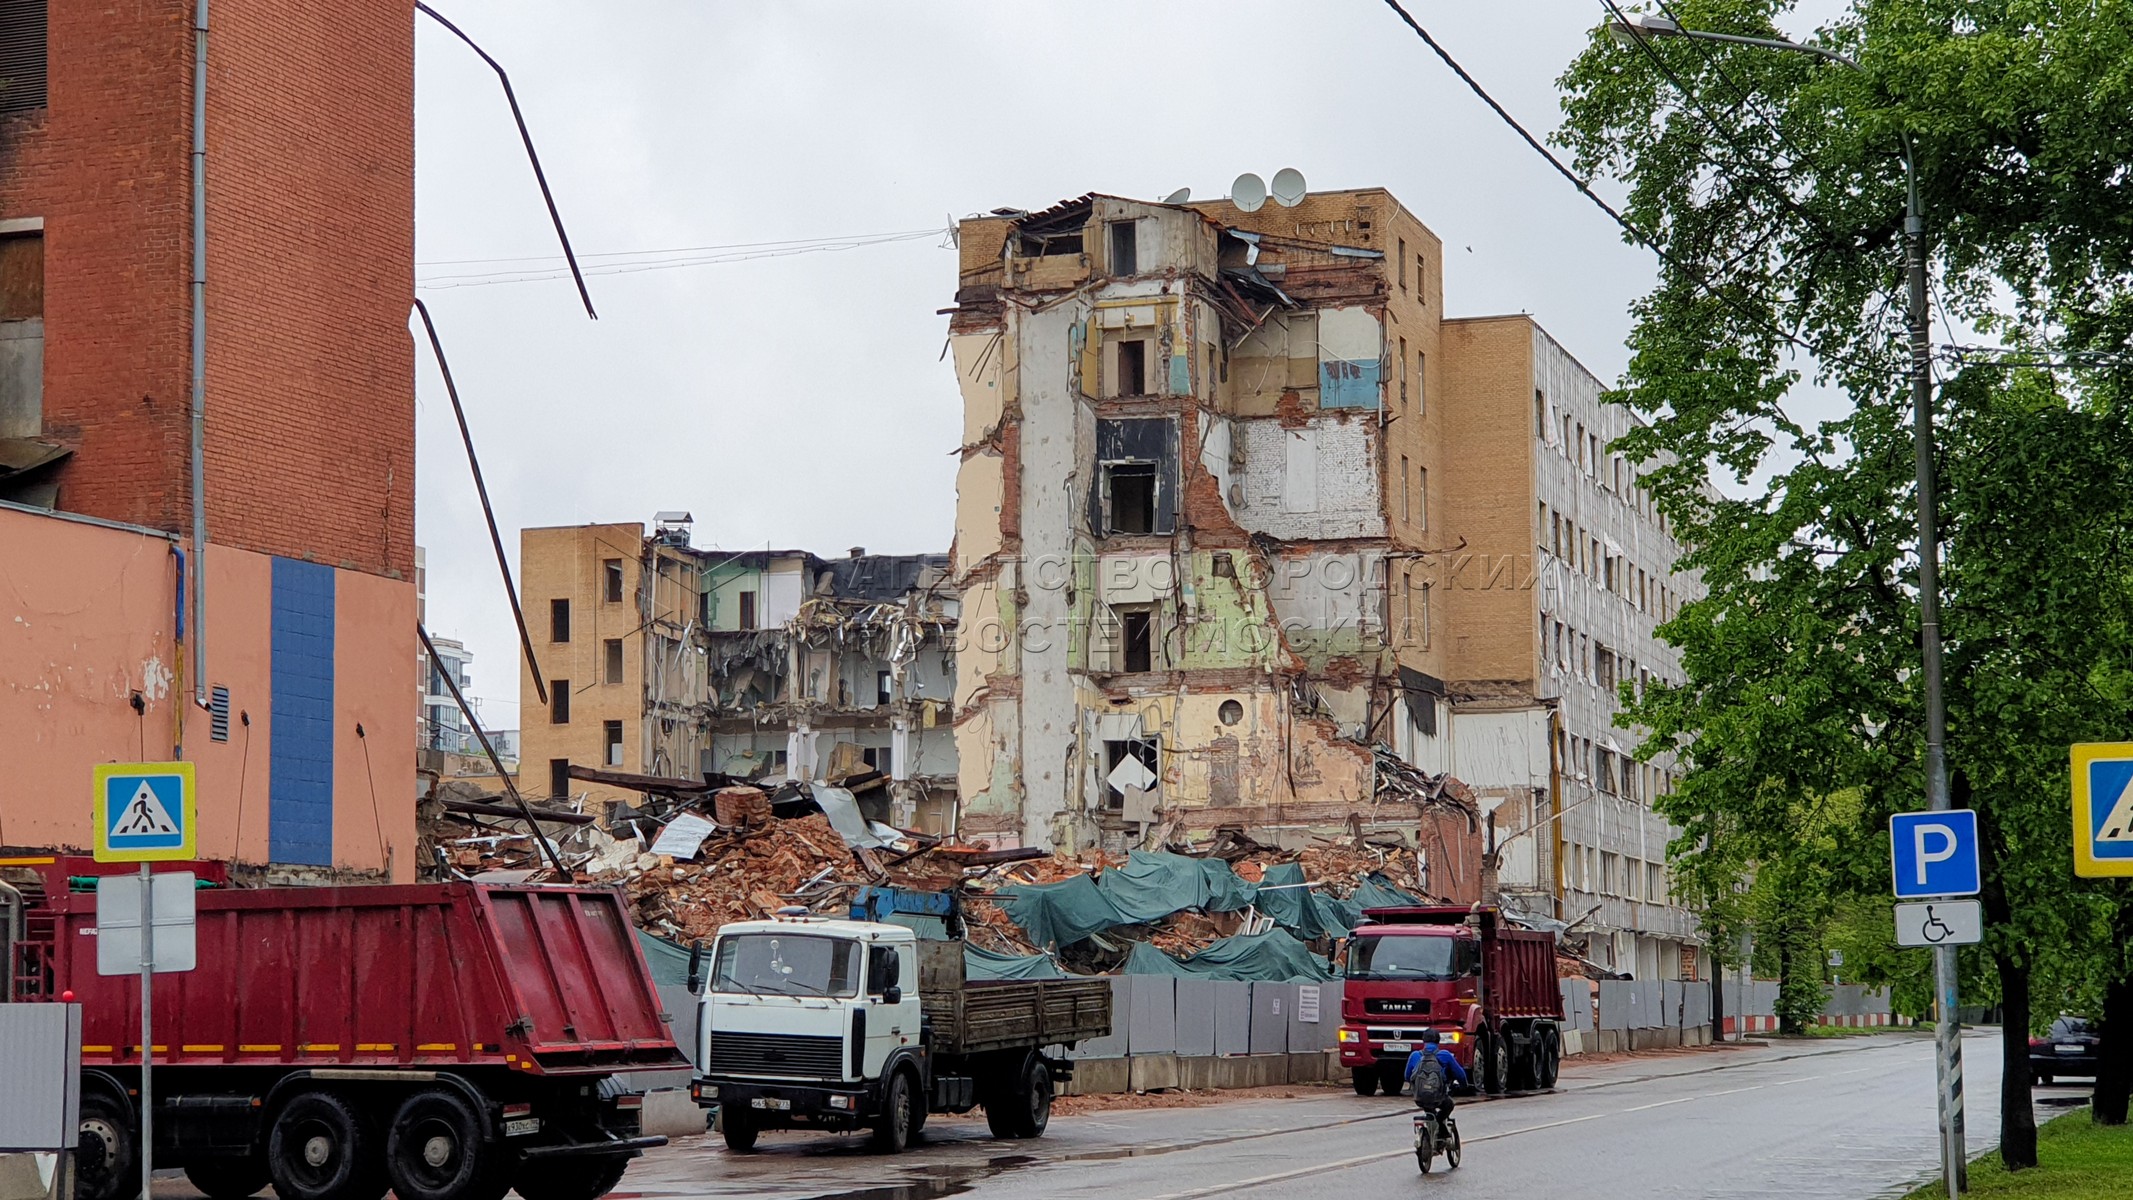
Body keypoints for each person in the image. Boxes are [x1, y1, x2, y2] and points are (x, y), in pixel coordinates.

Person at [1404, 1028, 1469, 1121]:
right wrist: (1463, 1086)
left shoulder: (1414, 1055)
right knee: (1449, 1105)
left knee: (1428, 1108)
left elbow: (1407, 1076)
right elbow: (1461, 1075)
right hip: (1438, 1098)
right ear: (1438, 1041)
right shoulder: (1445, 1055)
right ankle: (1441, 1127)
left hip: (1419, 1098)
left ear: (1423, 1040)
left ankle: (1429, 1127)